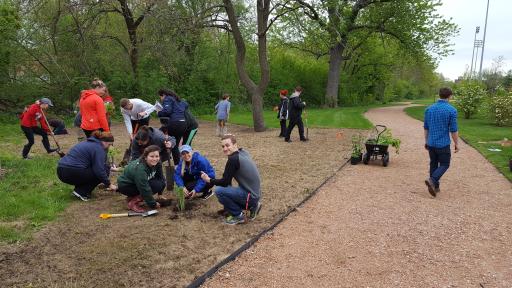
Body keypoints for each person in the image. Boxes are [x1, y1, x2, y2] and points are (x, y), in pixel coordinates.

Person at [201, 134, 262, 225]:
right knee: (227, 189)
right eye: (223, 146)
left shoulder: (233, 159)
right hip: (255, 194)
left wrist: (209, 180)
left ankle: (238, 216)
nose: (225, 149)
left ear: (235, 145)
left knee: (219, 191)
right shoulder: (243, 152)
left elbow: (224, 182)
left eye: (227, 145)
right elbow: (227, 179)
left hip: (250, 196)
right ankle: (253, 206)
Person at [57, 131, 117, 201]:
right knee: (105, 170)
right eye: (109, 144)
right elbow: (99, 170)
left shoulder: (86, 143)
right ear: (104, 142)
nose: (109, 147)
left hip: (61, 170)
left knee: (103, 168)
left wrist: (112, 168)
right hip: (72, 172)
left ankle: (79, 190)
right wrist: (109, 184)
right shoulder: (98, 148)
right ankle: (81, 192)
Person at [424, 87, 459, 197]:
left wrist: (426, 141)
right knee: (445, 164)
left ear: (439, 95)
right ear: (450, 96)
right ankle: (433, 180)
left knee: (433, 163)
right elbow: (453, 130)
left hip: (431, 142)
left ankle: (436, 187)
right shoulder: (451, 110)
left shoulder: (429, 109)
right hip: (442, 143)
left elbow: (426, 128)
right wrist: (456, 144)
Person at [117, 145, 164, 213]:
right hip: (126, 186)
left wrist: (160, 194)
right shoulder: (140, 169)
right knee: (155, 186)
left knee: (159, 183)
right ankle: (133, 203)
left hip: (136, 183)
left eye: (157, 156)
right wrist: (153, 204)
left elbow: (160, 178)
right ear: (145, 157)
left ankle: (133, 198)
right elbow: (144, 188)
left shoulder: (157, 163)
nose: (154, 159)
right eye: (151, 156)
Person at [157, 89, 189, 164]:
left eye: (160, 97)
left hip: (174, 124)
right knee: (175, 145)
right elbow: (186, 105)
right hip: (183, 124)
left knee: (157, 135)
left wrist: (159, 112)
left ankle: (163, 157)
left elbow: (167, 111)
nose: (161, 99)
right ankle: (177, 164)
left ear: (163, 95)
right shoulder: (178, 100)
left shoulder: (167, 98)